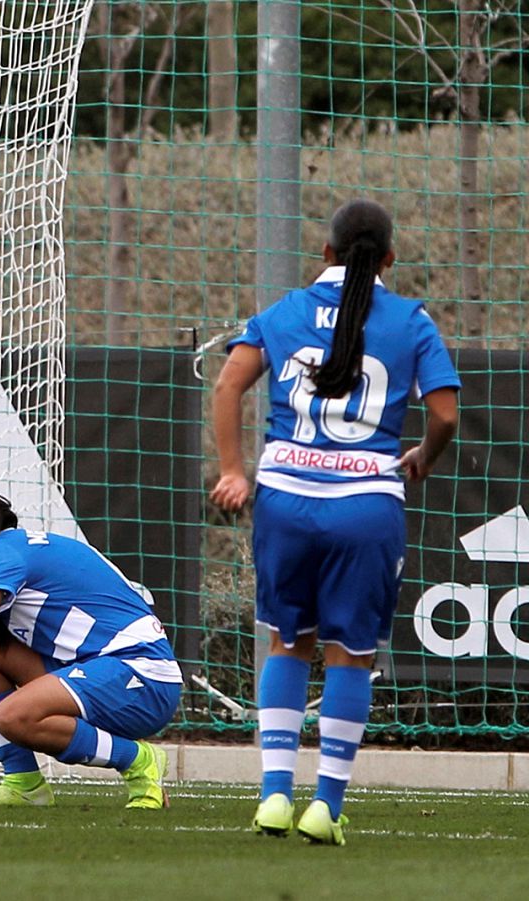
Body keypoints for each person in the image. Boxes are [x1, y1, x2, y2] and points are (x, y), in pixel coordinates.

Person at [211, 199, 460, 845]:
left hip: (287, 497)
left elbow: (229, 383)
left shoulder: (286, 311)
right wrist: (423, 457)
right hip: (366, 505)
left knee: (287, 641)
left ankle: (272, 796)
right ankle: (325, 805)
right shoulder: (411, 321)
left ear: (326, 253)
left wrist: (236, 470)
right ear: (389, 260)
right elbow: (447, 415)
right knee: (352, 653)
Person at [0, 491, 181, 810]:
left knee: (12, 716)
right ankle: (24, 784)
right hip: (116, 671)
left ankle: (139, 761)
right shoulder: (24, 547)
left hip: (140, 676)